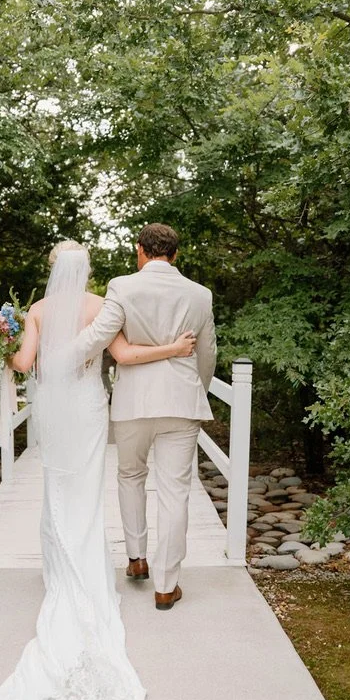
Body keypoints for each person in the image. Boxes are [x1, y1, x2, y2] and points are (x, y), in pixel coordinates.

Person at [0, 239, 197, 700]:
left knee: (57, 488)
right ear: (89, 269)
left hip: (56, 405)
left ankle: (62, 573)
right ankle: (87, 571)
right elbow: (120, 356)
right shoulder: (103, 305)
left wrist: (0, 341)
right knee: (86, 489)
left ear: (51, 269)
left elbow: (27, 362)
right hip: (90, 404)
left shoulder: (36, 310)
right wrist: (175, 350)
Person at [70, 223, 217, 610]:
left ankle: (137, 559)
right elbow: (208, 354)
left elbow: (101, 334)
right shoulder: (201, 295)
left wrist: (61, 354)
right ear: (175, 254)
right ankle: (167, 585)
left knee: (131, 475)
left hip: (134, 401)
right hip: (181, 403)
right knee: (175, 492)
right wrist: (194, 388)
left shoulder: (122, 286)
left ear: (140, 250)